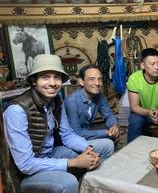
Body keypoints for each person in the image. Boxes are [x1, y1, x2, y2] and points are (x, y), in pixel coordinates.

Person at [3, 54, 114, 193]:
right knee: (68, 182)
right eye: (45, 77)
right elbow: (26, 164)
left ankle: (91, 187)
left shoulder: (56, 101)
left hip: (52, 153)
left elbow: (67, 134)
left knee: (106, 146)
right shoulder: (17, 110)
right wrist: (73, 162)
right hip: (26, 172)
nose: (53, 83)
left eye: (57, 77)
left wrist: (88, 149)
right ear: (34, 81)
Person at [64, 65, 121, 141]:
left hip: (86, 131)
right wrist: (105, 133)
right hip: (72, 138)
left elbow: (109, 115)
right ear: (81, 81)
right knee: (108, 142)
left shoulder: (100, 96)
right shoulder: (71, 101)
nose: (97, 83)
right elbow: (75, 132)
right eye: (91, 79)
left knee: (114, 136)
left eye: (99, 79)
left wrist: (114, 126)